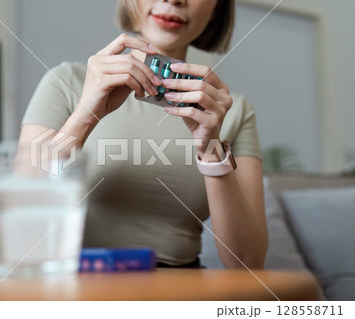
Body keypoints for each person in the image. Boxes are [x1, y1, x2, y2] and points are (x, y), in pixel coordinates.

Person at [18, 0, 267, 269]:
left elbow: (248, 264)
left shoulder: (229, 109)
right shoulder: (66, 81)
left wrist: (211, 150)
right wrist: (86, 115)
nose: (174, 0)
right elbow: (21, 215)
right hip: (80, 286)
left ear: (217, 8)